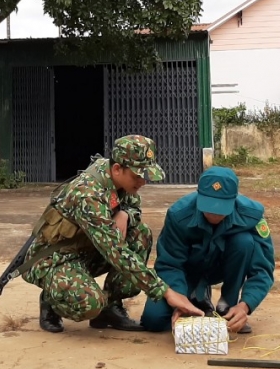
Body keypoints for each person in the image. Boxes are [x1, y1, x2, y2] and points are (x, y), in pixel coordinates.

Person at [22, 135, 204, 333]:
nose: (143, 181)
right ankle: (52, 299)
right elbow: (115, 252)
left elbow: (135, 209)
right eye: (137, 176)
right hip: (55, 259)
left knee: (140, 235)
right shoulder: (88, 194)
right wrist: (166, 292)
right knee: (89, 303)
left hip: (86, 252)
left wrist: (124, 214)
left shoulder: (121, 181)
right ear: (117, 169)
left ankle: (109, 307)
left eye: (145, 175)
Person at [140, 167, 274, 334]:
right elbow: (169, 263)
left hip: (223, 266)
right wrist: (179, 298)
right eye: (209, 206)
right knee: (154, 320)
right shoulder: (178, 214)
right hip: (188, 271)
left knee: (244, 242)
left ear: (234, 200)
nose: (214, 213)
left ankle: (228, 307)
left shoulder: (251, 215)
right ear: (199, 196)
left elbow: (262, 269)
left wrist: (245, 305)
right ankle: (195, 296)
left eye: (221, 208)